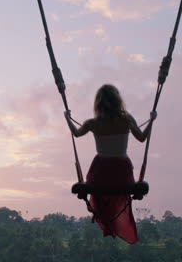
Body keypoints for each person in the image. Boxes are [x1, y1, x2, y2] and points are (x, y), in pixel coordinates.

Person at [64, 84, 157, 244]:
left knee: (101, 198)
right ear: (117, 101)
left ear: (98, 103)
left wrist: (67, 118)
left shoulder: (93, 123)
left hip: (99, 172)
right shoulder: (126, 119)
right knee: (118, 197)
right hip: (122, 172)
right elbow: (142, 138)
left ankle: (107, 223)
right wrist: (152, 120)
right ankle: (113, 223)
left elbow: (76, 134)